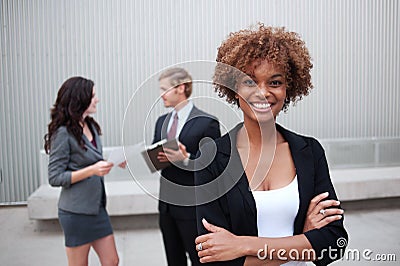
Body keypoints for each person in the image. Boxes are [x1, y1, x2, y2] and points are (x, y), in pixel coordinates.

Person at [194, 24, 348, 265]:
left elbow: (333, 242)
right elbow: (213, 258)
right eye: (250, 82)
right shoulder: (211, 159)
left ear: (289, 89)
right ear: (234, 89)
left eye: (275, 82)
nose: (263, 92)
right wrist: (303, 240)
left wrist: (242, 245)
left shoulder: (310, 152)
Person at [44, 76, 121, 266]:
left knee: (112, 261)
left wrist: (113, 162)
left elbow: (91, 160)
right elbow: (55, 177)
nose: (97, 99)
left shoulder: (90, 125)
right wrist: (92, 170)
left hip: (97, 208)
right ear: (80, 98)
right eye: (93, 95)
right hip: (76, 213)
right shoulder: (63, 133)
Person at [152, 67, 221, 266]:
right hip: (166, 206)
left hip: (192, 208)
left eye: (164, 89)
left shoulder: (206, 122)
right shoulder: (161, 122)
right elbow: (157, 158)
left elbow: (214, 166)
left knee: (199, 260)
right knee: (174, 260)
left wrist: (186, 158)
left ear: (180, 88)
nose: (161, 95)